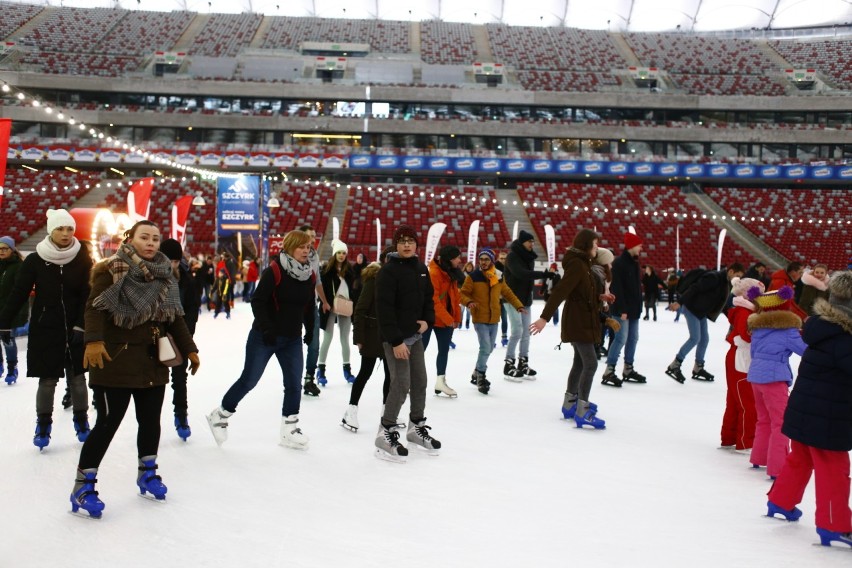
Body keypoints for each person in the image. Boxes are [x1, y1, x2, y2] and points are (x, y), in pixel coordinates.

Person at [70, 220, 200, 518]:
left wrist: (189, 348)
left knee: (151, 420)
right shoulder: (111, 269)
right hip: (114, 359)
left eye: (155, 238)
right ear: (130, 238)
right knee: (107, 423)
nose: (151, 242)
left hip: (152, 361)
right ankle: (82, 486)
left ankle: (147, 472)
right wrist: (93, 341)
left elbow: (175, 317)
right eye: (145, 237)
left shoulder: (166, 275)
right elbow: (94, 307)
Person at [207, 230, 316, 450]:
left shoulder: (309, 275)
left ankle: (289, 429)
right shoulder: (274, 271)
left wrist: (311, 329)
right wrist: (267, 328)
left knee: (294, 384)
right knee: (249, 380)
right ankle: (220, 415)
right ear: (290, 248)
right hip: (265, 336)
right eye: (301, 246)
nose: (306, 251)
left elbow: (308, 305)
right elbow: (258, 301)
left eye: (308, 247)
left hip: (292, 338)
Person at [766, 271, 852, 547]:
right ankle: (833, 524)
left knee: (800, 458)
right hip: (827, 417)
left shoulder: (821, 328)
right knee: (834, 469)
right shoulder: (844, 337)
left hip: (806, 410)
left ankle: (780, 501)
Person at [0, 209, 93, 450]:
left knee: (78, 379)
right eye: (60, 228)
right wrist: (4, 321)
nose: (65, 233)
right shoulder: (35, 259)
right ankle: (43, 425)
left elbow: (88, 293)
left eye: (69, 228)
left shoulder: (81, 256)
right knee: (48, 380)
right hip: (46, 328)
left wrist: (81, 325)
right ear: (50, 230)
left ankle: (82, 422)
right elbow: (19, 292)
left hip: (75, 328)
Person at [531, 229, 611, 429]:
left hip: (584, 319)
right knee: (590, 364)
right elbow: (560, 291)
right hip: (578, 322)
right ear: (585, 246)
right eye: (594, 245)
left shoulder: (585, 264)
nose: (597, 248)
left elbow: (582, 292)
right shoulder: (577, 264)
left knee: (580, 363)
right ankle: (582, 410)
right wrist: (544, 318)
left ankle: (570, 404)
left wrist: (601, 297)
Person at [374, 225, 440, 463]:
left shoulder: (421, 269)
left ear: (416, 245)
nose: (406, 245)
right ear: (396, 245)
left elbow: (428, 299)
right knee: (402, 384)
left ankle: (416, 427)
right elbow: (384, 309)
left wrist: (427, 321)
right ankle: (386, 431)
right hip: (396, 340)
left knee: (420, 381)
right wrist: (395, 340)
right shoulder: (388, 271)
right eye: (402, 241)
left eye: (410, 241)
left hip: (415, 336)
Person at [745, 285, 806, 480]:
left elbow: (753, 353)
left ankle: (758, 457)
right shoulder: (788, 331)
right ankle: (777, 467)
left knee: (763, 419)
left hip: (755, 377)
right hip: (774, 379)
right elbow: (804, 350)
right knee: (780, 423)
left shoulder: (757, 329)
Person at [665, 263, 745, 383]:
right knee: (695, 338)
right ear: (731, 272)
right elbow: (694, 288)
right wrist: (679, 302)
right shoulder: (714, 278)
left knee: (704, 339)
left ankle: (698, 367)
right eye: (737, 276)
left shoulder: (725, 284)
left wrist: (733, 318)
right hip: (692, 308)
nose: (738, 279)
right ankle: (675, 365)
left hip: (701, 312)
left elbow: (722, 305)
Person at [343, 246, 394, 432]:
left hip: (391, 336)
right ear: (384, 260)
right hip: (372, 335)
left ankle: (387, 413)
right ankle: (351, 410)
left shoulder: (398, 281)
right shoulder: (374, 280)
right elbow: (360, 309)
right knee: (365, 373)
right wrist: (358, 337)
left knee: (391, 375)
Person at [460, 248, 525, 395]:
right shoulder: (473, 276)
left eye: (486, 259)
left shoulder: (499, 276)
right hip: (480, 318)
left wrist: (518, 305)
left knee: (488, 349)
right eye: (481, 259)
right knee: (485, 347)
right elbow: (463, 293)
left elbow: (507, 292)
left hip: (494, 318)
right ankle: (481, 376)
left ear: (492, 261)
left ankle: (476, 372)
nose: (483, 262)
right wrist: (469, 301)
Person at [159, 238, 202, 441]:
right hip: (154, 336)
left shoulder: (186, 280)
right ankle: (151, 419)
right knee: (154, 381)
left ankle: (181, 415)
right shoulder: (149, 277)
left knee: (179, 378)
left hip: (179, 335)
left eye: (176, 261)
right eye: (169, 260)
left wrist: (188, 334)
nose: (172, 265)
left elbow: (192, 308)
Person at [720, 277, 763, 452]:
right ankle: (746, 441)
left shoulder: (742, 310)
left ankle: (729, 437)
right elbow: (745, 336)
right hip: (741, 358)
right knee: (747, 401)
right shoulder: (745, 312)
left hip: (738, 357)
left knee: (735, 399)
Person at [503, 230, 553, 379]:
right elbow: (520, 273)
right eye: (530, 241)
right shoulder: (512, 256)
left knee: (526, 333)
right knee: (517, 331)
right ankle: (508, 363)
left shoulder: (530, 257)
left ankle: (523, 362)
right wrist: (543, 274)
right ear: (522, 242)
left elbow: (527, 277)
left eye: (533, 241)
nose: (532, 244)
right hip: (512, 299)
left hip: (525, 301)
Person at [602, 232, 645, 387]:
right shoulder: (619, 263)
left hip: (634, 310)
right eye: (639, 245)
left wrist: (639, 307)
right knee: (621, 338)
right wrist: (622, 309)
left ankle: (628, 368)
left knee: (633, 338)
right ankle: (609, 370)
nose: (641, 248)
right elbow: (617, 288)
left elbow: (636, 288)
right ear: (632, 246)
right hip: (622, 310)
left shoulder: (635, 263)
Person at [423, 245, 464, 398]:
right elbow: (433, 301)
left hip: (446, 320)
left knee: (443, 351)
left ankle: (440, 381)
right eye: (457, 257)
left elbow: (455, 298)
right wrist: (449, 319)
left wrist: (456, 318)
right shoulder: (434, 273)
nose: (460, 260)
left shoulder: (452, 273)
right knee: (420, 351)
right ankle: (410, 381)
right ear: (449, 259)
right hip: (429, 318)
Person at [317, 238, 355, 385]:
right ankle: (321, 370)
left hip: (345, 306)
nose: (341, 255)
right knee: (327, 338)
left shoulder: (349, 271)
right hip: (330, 307)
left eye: (344, 253)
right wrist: (325, 303)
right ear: (334, 254)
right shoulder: (326, 270)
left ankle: (347, 370)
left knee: (344, 339)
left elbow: (353, 290)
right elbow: (322, 289)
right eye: (339, 252)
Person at [300, 225, 331, 397]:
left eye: (313, 236)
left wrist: (324, 301)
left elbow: (317, 280)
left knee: (314, 345)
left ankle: (309, 378)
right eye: (309, 236)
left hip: (311, 305)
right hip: (294, 307)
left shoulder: (314, 255)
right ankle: (292, 378)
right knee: (294, 345)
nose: (313, 239)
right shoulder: (291, 256)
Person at [0, 236, 28, 385]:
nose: (1, 251)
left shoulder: (18, 266)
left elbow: (19, 291)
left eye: (4, 248)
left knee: (8, 339)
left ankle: (12, 367)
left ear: (12, 250)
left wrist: (18, 312)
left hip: (10, 310)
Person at [495, 250, 510, 346]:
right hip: (495, 298)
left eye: (505, 258)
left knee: (504, 318)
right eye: (501, 258)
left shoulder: (509, 269)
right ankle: (492, 338)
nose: (503, 260)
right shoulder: (493, 269)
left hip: (504, 298)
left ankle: (504, 337)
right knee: (494, 319)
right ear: (498, 258)